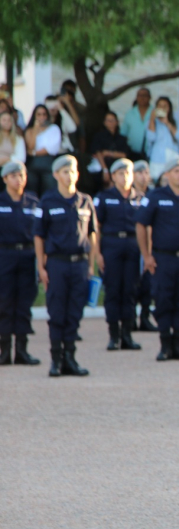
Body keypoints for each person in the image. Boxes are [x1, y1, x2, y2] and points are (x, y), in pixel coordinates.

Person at [34, 155, 98, 376]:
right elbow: (39, 236)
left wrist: (91, 265)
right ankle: (55, 360)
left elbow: (92, 235)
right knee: (57, 312)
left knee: (74, 313)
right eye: (65, 171)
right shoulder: (48, 201)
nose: (69, 175)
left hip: (79, 264)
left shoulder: (85, 201)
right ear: (56, 175)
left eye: (72, 171)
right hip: (57, 264)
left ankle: (70, 357)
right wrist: (41, 267)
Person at [135, 156, 179, 362]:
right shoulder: (155, 196)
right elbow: (141, 225)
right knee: (164, 301)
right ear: (166, 174)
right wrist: (146, 255)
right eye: (176, 171)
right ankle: (165, 345)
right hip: (163, 259)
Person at [94, 158, 144, 351]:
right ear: (113, 176)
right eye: (121, 173)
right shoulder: (104, 197)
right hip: (112, 244)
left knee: (130, 291)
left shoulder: (140, 198)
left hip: (133, 244)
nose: (125, 177)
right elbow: (96, 227)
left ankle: (128, 335)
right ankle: (114, 335)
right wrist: (98, 253)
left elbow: (146, 228)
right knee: (113, 290)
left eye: (128, 173)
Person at [0, 160, 41, 366]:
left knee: (24, 304)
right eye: (14, 176)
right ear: (5, 178)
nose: (19, 180)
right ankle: (5, 350)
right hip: (4, 255)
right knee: (4, 302)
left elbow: (41, 233)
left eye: (22, 176)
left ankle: (22, 350)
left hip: (28, 255)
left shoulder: (34, 202)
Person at [131, 160, 158, 332]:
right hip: (132, 245)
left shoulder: (154, 196)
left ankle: (145, 316)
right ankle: (130, 318)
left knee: (148, 283)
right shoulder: (128, 195)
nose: (143, 176)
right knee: (132, 283)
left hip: (152, 246)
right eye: (139, 172)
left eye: (146, 172)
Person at [24, 105, 62, 197]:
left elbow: (51, 149)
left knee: (49, 191)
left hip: (48, 163)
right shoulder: (29, 130)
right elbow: (30, 146)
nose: (42, 117)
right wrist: (35, 131)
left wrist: (34, 153)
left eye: (44, 114)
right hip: (32, 165)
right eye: (39, 114)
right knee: (32, 192)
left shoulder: (54, 128)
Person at [146, 96, 179, 182]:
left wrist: (167, 122)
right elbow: (151, 138)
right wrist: (152, 119)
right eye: (160, 106)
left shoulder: (174, 121)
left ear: (169, 108)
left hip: (172, 159)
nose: (162, 108)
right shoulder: (152, 122)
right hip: (157, 159)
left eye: (165, 106)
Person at [120, 87, 152, 161]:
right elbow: (123, 134)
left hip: (151, 153)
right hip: (133, 153)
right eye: (140, 95)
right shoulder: (129, 114)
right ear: (136, 97)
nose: (142, 98)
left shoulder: (155, 113)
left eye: (145, 95)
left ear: (150, 97)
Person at [0, 112, 27, 179]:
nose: (7, 122)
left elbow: (21, 158)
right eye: (4, 120)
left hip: (11, 169)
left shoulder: (18, 139)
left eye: (9, 120)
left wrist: (6, 159)